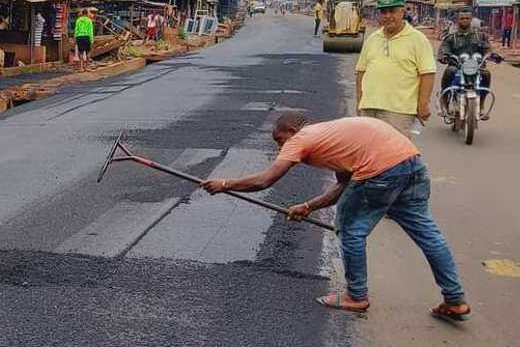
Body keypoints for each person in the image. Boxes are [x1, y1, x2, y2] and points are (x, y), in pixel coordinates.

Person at [201, 112, 469, 320]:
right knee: (427, 233)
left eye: (279, 140)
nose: (279, 149)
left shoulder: (301, 138)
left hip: (381, 171)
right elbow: (345, 185)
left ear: (292, 131)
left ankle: (356, 296)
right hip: (410, 163)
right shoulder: (333, 135)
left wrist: (225, 184)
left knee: (351, 230)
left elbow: (265, 180)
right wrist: (308, 206)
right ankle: (455, 299)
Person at [354, 0, 435, 139]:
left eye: (392, 11)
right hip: (369, 107)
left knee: (396, 156)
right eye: (383, 12)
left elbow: (427, 73)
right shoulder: (373, 38)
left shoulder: (418, 39)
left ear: (402, 11)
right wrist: (359, 100)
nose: (387, 16)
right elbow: (361, 71)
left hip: (399, 111)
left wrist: (423, 104)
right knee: (369, 153)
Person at [437, 7, 492, 118]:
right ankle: (445, 103)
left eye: (467, 18)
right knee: (449, 70)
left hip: (477, 67)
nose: (465, 20)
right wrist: (443, 56)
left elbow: (487, 49)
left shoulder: (480, 36)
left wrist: (488, 56)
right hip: (457, 67)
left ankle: (481, 105)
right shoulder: (451, 38)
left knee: (486, 73)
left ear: (471, 19)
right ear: (457, 20)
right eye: (462, 18)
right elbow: (444, 50)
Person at [74, 7, 95, 71]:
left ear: (82, 13)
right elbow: (90, 31)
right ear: (87, 14)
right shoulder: (89, 20)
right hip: (86, 36)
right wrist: (91, 40)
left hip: (79, 36)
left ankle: (81, 68)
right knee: (88, 51)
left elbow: (76, 30)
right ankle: (86, 67)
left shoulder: (78, 20)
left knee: (80, 52)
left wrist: (75, 38)